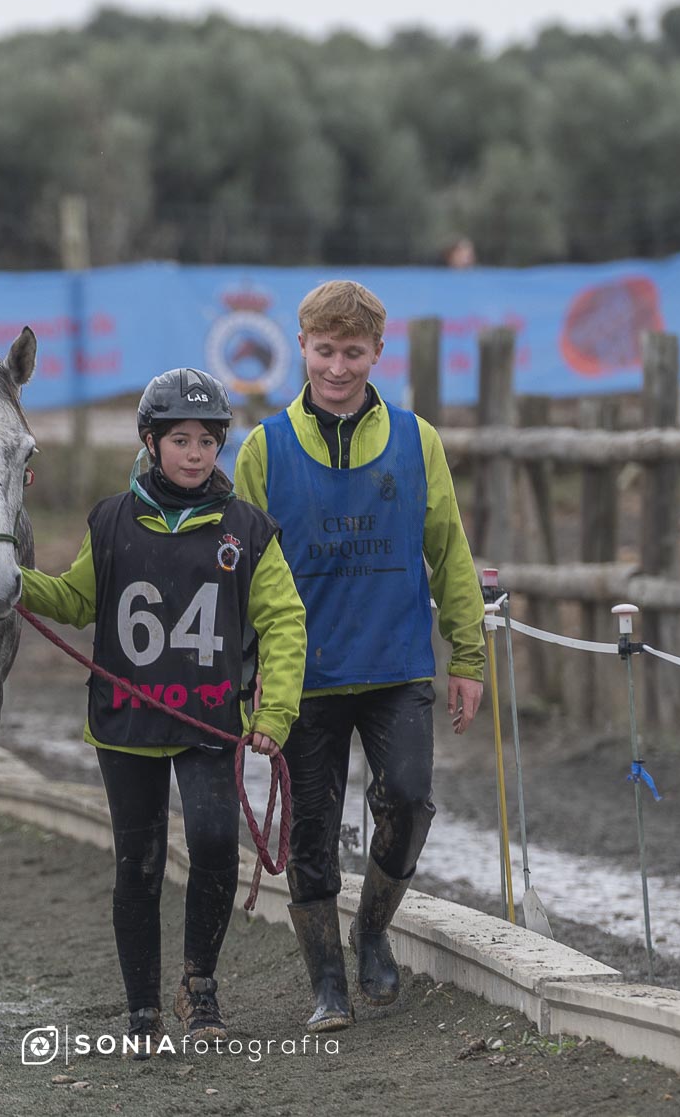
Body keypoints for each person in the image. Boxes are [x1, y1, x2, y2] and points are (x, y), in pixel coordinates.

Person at [20, 368, 306, 1050]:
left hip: (209, 723)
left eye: (207, 441)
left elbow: (285, 621)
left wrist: (275, 714)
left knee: (215, 842)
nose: (195, 454)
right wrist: (13, 583)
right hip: (127, 723)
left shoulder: (248, 530)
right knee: (138, 863)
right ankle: (142, 1008)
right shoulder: (110, 520)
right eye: (180, 440)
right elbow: (77, 600)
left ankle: (199, 985)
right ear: (150, 442)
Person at [232, 280, 485, 1033]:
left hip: (396, 663)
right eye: (324, 350)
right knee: (309, 831)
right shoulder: (264, 449)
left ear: (377, 352)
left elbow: (449, 550)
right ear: (301, 348)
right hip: (301, 675)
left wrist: (467, 656)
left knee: (407, 798)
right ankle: (327, 985)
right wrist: (246, 677)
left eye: (352, 352)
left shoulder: (417, 440)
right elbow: (238, 572)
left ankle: (372, 928)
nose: (337, 367)